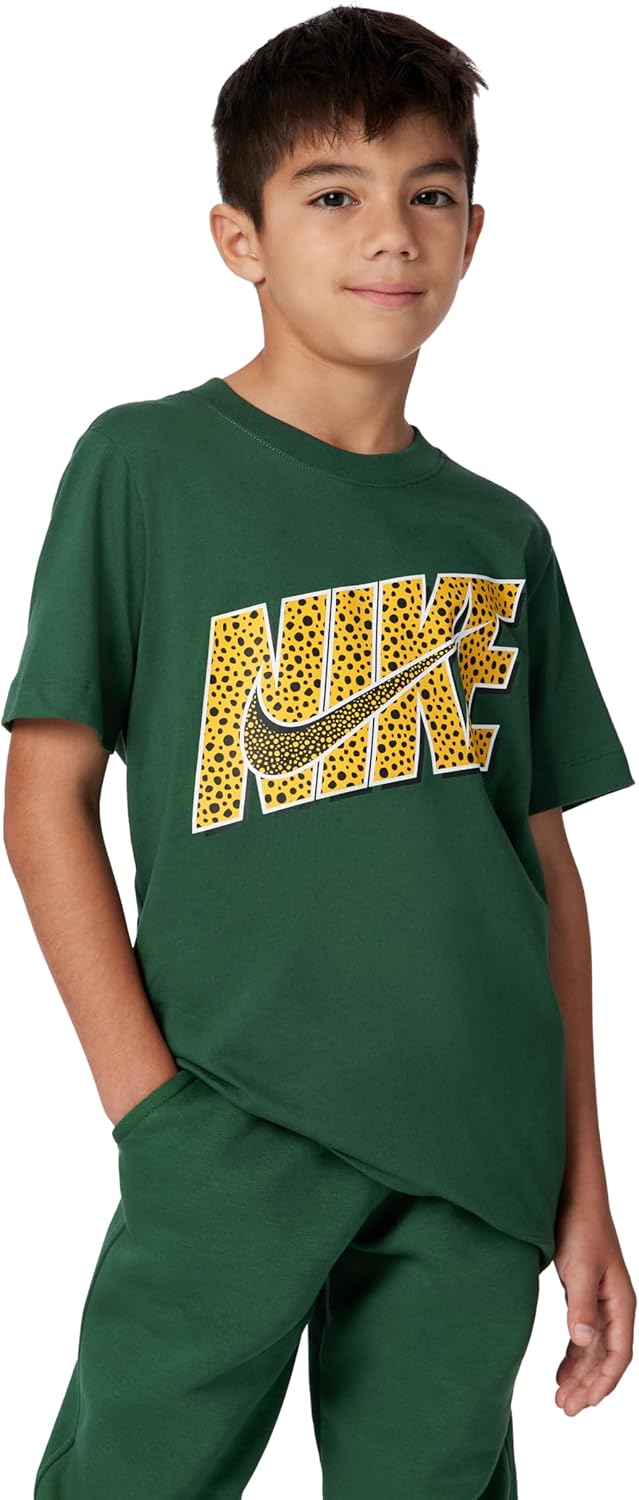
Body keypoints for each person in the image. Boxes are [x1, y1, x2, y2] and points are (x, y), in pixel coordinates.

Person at [2, 7, 636, 1497]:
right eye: (334, 193)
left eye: (431, 193)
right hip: (231, 1116)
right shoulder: (145, 467)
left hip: (479, 1140)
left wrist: (585, 1188)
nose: (391, 233)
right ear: (241, 237)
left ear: (475, 233)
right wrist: (149, 1109)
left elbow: (544, 867)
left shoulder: (500, 534)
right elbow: (45, 794)